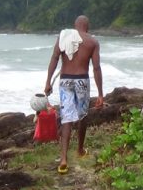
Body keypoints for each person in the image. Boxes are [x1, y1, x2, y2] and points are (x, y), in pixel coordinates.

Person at [44, 15, 104, 174]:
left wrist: (48, 81)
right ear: (87, 26)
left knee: (67, 118)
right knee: (83, 115)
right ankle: (80, 150)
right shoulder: (92, 41)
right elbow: (96, 68)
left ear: (75, 25)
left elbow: (54, 58)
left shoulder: (63, 37)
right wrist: (100, 93)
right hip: (82, 81)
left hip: (65, 81)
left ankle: (63, 158)